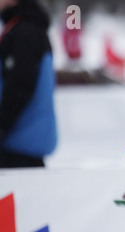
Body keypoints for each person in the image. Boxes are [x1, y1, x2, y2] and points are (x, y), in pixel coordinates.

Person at [0, 0, 57, 168]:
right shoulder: (26, 28)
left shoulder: (25, 32)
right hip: (21, 147)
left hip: (18, 150)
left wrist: (1, 126)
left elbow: (20, 87)